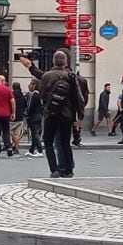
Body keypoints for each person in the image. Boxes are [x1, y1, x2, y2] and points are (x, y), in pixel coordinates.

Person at [38, 50, 86, 178]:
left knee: (48, 142)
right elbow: (77, 97)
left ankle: (54, 169)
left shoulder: (46, 76)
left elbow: (41, 94)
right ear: (65, 63)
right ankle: (68, 170)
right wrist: (79, 115)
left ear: (53, 61)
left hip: (51, 114)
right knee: (65, 142)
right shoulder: (70, 76)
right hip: (67, 114)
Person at [25, 79, 44, 157]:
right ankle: (32, 150)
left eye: (31, 84)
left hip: (33, 116)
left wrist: (27, 114)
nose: (29, 86)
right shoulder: (40, 94)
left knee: (34, 133)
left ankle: (40, 149)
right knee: (35, 133)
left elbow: (29, 106)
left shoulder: (32, 94)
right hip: (39, 115)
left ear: (34, 85)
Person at [71, 71, 90, 147]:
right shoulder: (83, 81)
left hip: (73, 103)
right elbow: (86, 94)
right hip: (80, 103)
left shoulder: (71, 81)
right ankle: (77, 137)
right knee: (79, 120)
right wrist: (84, 103)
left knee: (74, 120)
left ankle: (76, 137)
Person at [10, 81, 27, 155]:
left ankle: (12, 144)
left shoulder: (11, 95)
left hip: (11, 116)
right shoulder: (22, 96)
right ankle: (16, 147)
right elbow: (25, 105)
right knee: (17, 133)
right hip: (20, 116)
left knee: (10, 132)